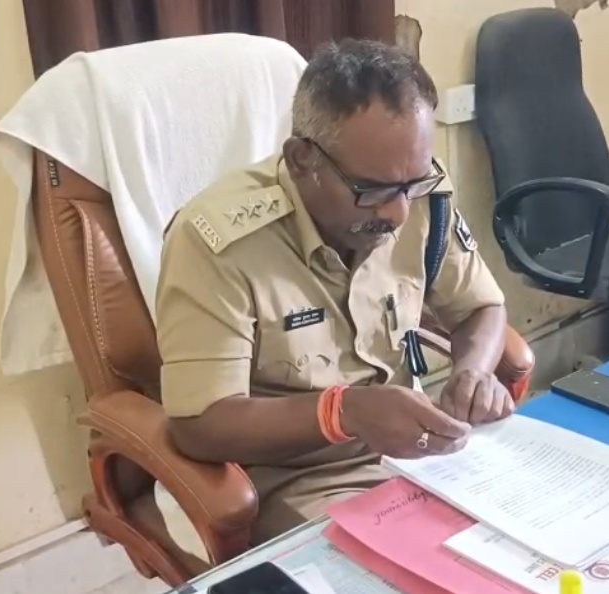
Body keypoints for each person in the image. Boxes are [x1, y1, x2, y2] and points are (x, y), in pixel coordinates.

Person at [155, 38, 511, 544]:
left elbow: (481, 307)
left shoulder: (419, 194)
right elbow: (200, 425)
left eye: (411, 186)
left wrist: (473, 371)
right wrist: (343, 412)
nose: (398, 214)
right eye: (372, 190)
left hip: (422, 458)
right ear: (303, 160)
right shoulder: (217, 242)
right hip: (299, 480)